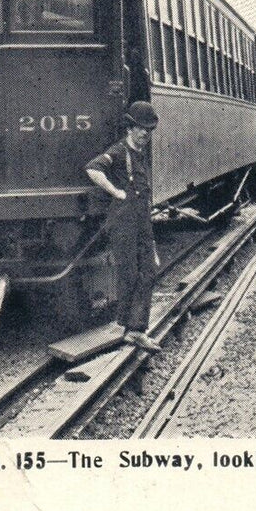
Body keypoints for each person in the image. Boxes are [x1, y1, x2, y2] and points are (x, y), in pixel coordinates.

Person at [85, 101, 162, 352]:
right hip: (123, 223)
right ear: (130, 128)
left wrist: (152, 241)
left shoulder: (140, 154)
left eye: (149, 130)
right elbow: (93, 168)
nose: (145, 134)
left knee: (149, 271)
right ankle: (131, 329)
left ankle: (136, 329)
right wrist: (116, 192)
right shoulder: (118, 151)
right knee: (129, 274)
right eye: (141, 129)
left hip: (141, 222)